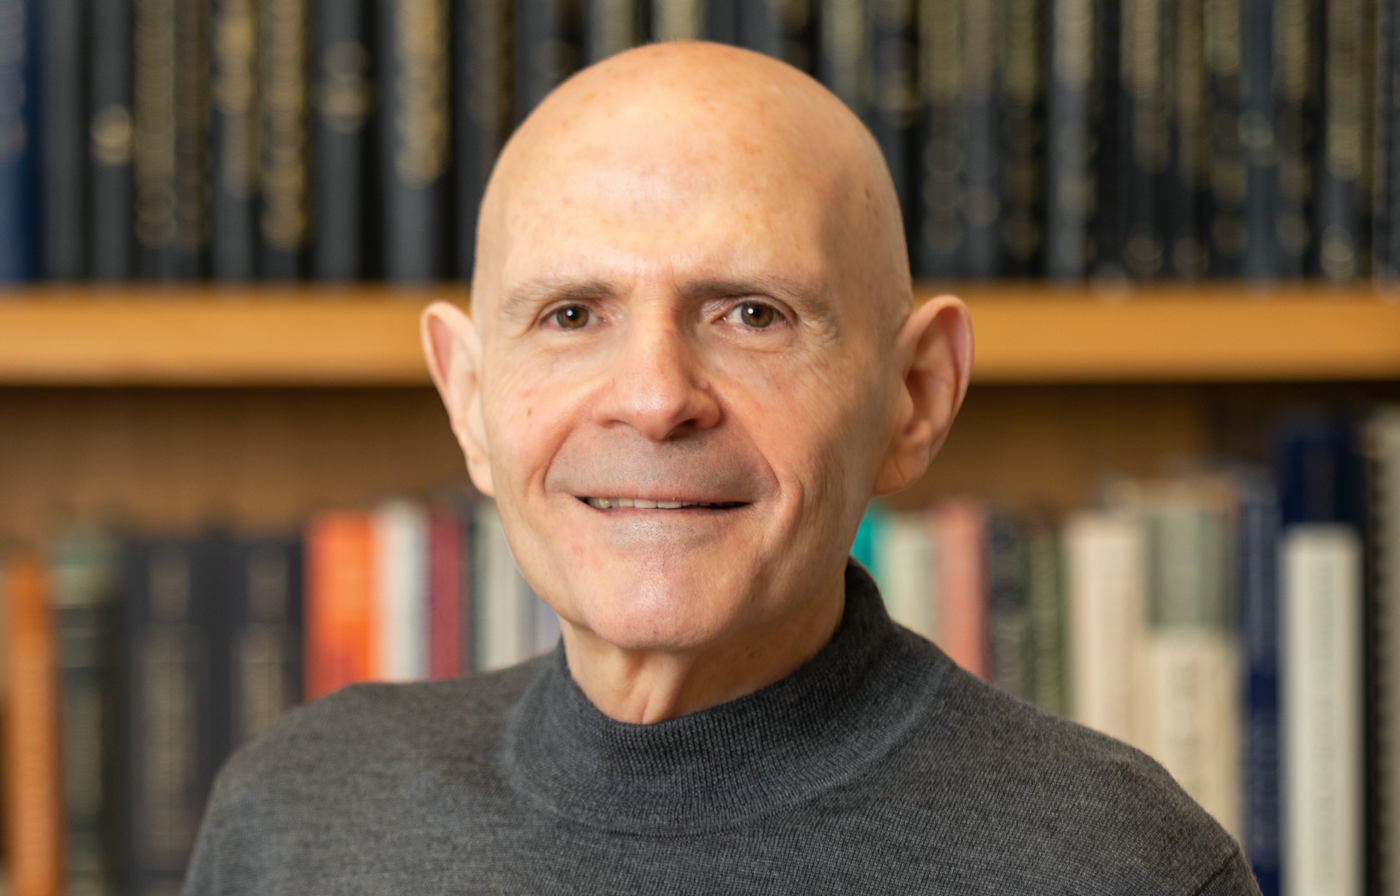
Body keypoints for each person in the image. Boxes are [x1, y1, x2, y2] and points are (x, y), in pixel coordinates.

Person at [185, 42, 1259, 895]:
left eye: (752, 313)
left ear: (914, 393)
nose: (654, 398)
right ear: (467, 394)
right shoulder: (294, 820)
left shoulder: (1119, 867)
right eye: (570, 314)